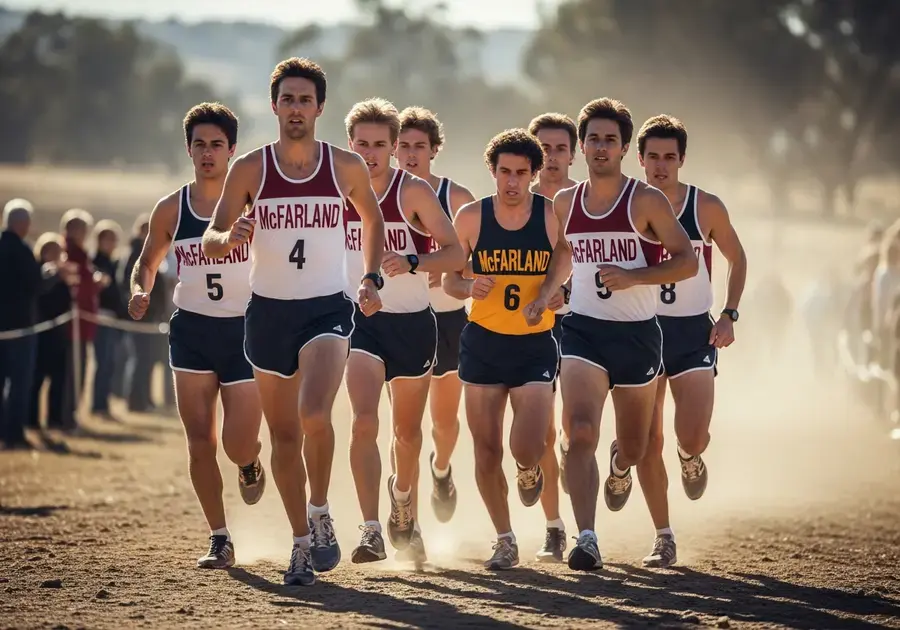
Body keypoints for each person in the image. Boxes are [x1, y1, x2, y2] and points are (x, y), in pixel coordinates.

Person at [202, 58, 386, 587]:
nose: (297, 109)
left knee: (313, 414)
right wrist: (229, 236)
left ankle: (322, 508)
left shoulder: (345, 166)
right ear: (274, 105)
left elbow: (372, 219)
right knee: (283, 435)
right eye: (288, 99)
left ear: (320, 107)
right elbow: (212, 236)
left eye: (306, 100)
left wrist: (369, 277)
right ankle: (301, 542)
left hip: (327, 307)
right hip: (268, 313)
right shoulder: (251, 169)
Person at [525, 98, 698, 572]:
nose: (600, 147)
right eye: (593, 139)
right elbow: (565, 252)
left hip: (638, 336)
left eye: (610, 140)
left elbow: (687, 261)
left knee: (638, 447)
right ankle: (587, 538)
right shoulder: (565, 201)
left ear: (624, 149)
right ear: (582, 147)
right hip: (582, 332)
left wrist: (634, 276)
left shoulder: (645, 200)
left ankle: (652, 517)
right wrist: (546, 294)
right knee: (579, 431)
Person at [129, 102, 266, 570]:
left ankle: (250, 463)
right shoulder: (172, 207)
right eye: (199, 145)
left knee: (237, 443)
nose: (207, 153)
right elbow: (147, 263)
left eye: (216, 145)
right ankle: (220, 537)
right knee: (199, 440)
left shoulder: (253, 204)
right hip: (191, 330)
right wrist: (139, 291)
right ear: (188, 149)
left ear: (232, 151)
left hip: (246, 332)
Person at [343, 99, 465, 566]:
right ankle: (371, 529)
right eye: (362, 144)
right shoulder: (336, 190)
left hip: (413, 322)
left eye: (379, 145)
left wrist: (415, 261)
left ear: (394, 148)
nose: (370, 153)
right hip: (362, 323)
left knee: (408, 435)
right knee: (362, 422)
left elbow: (455, 254)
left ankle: (403, 502)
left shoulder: (412, 193)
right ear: (350, 144)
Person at [630, 114, 747, 568]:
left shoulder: (705, 207)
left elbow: (738, 260)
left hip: (692, 330)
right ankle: (663, 535)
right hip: (639, 329)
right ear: (639, 159)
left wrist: (730, 314)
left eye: (669, 157)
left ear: (681, 160)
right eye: (652, 157)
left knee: (692, 433)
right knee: (646, 439)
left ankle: (689, 455)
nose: (660, 166)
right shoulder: (625, 206)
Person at [443, 128, 563, 570]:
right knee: (486, 449)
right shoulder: (472, 218)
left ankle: (530, 469)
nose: (512, 182)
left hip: (534, 344)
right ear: (492, 172)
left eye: (521, 173)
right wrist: (469, 283)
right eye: (504, 172)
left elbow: (566, 257)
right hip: (484, 344)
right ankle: (505, 537)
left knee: (528, 445)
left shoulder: (550, 215)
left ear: (534, 175)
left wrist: (551, 289)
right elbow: (449, 281)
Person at [395, 106, 475, 525]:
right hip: (400, 319)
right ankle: (405, 510)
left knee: (444, 424)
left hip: (448, 320)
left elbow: (474, 264)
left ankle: (441, 470)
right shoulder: (379, 195)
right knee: (403, 429)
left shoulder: (456, 198)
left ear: (434, 150)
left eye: (419, 147)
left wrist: (437, 270)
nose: (411, 154)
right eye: (404, 146)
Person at [526, 112, 581, 562]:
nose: (552, 156)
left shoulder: (586, 201)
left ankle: (582, 526)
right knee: (542, 428)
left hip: (582, 323)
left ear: (573, 154)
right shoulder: (513, 201)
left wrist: (566, 291)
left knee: (572, 430)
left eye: (561, 148)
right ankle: (553, 528)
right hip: (529, 323)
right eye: (543, 148)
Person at [0, 198, 41, 448]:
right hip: (20, 327)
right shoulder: (22, 251)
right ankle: (14, 434)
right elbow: (34, 285)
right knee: (19, 383)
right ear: (22, 223)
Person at [91, 220, 128, 420]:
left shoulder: (113, 263)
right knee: (103, 363)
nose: (112, 243)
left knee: (110, 363)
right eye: (108, 239)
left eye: (114, 239)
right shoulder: (96, 262)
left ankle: (102, 403)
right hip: (101, 319)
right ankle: (98, 404)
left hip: (113, 319)